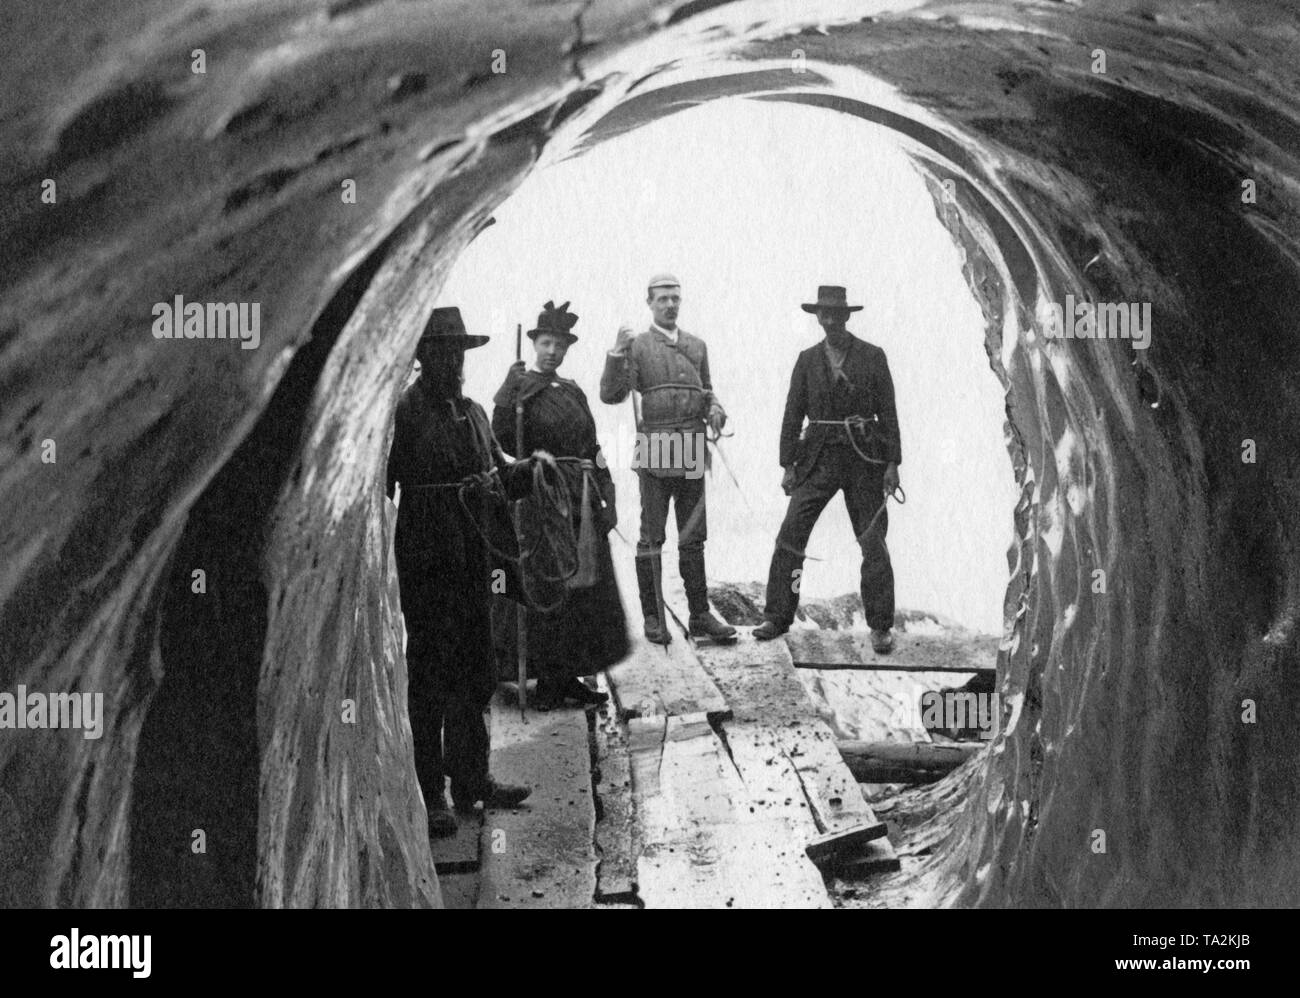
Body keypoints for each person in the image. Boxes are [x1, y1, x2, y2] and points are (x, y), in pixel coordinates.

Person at [385, 306, 534, 838]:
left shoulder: (473, 412)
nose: (453, 361)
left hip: (473, 556)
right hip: (427, 556)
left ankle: (473, 778)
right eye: (441, 351)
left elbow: (500, 469)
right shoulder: (403, 412)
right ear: (423, 357)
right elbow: (380, 483)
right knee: (430, 676)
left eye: (458, 352)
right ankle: (431, 792)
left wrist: (527, 472)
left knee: (476, 668)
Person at [490, 301, 628, 710]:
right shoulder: (520, 392)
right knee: (550, 584)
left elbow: (595, 447)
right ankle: (547, 678)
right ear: (535, 344)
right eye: (546, 343)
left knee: (586, 587)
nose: (553, 351)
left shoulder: (572, 390)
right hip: (543, 498)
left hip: (582, 495)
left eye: (560, 345)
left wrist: (608, 489)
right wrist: (506, 393)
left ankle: (571, 675)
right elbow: (504, 441)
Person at [753, 285, 902, 653]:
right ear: (817, 317)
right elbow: (792, 413)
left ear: (847, 316)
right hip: (817, 458)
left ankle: (881, 625)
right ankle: (777, 616)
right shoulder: (806, 360)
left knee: (873, 542)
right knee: (791, 534)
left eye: (837, 314)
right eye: (825, 314)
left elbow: (890, 414)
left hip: (864, 460)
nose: (831, 320)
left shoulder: (873, 356)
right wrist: (787, 464)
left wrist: (892, 463)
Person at [599, 274, 737, 645]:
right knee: (651, 539)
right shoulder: (638, 346)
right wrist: (615, 353)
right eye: (662, 299)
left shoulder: (697, 344)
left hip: (692, 446)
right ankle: (653, 617)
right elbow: (611, 395)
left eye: (675, 298)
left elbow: (706, 391)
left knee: (693, 538)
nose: (670, 304)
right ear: (650, 303)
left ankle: (700, 615)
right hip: (656, 449)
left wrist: (716, 409)